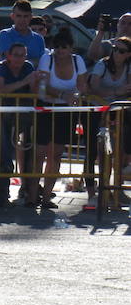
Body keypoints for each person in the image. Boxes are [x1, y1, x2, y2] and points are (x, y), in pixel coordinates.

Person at [26, 29, 88, 209]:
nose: (60, 50)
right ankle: (31, 196)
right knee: (39, 154)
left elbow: (82, 84)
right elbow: (43, 86)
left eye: (64, 47)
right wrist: (63, 94)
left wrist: (76, 94)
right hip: (46, 107)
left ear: (71, 48)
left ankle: (46, 197)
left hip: (66, 112)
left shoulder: (78, 61)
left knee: (56, 155)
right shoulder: (48, 59)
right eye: (57, 47)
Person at [0, 43, 44, 206]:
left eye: (22, 55)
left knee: (29, 150)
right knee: (4, 154)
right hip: (0, 113)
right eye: (16, 55)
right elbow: (0, 89)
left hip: (21, 114)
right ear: (8, 55)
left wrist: (36, 81)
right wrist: (25, 82)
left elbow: (34, 92)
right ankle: (1, 194)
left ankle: (29, 191)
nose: (19, 59)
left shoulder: (28, 67)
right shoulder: (2, 68)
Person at [84, 35, 131, 208]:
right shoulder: (102, 64)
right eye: (114, 49)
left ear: (128, 54)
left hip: (117, 111)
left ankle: (116, 190)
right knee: (91, 151)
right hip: (97, 109)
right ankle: (92, 194)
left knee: (118, 151)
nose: (116, 53)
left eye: (121, 51)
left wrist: (116, 93)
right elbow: (95, 88)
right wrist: (118, 91)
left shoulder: (128, 67)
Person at [0, 0, 45, 64]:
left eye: (25, 16)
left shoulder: (39, 39)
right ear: (12, 16)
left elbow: (43, 63)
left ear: (31, 17)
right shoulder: (5, 34)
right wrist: (34, 62)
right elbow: (11, 62)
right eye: (18, 16)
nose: (22, 20)